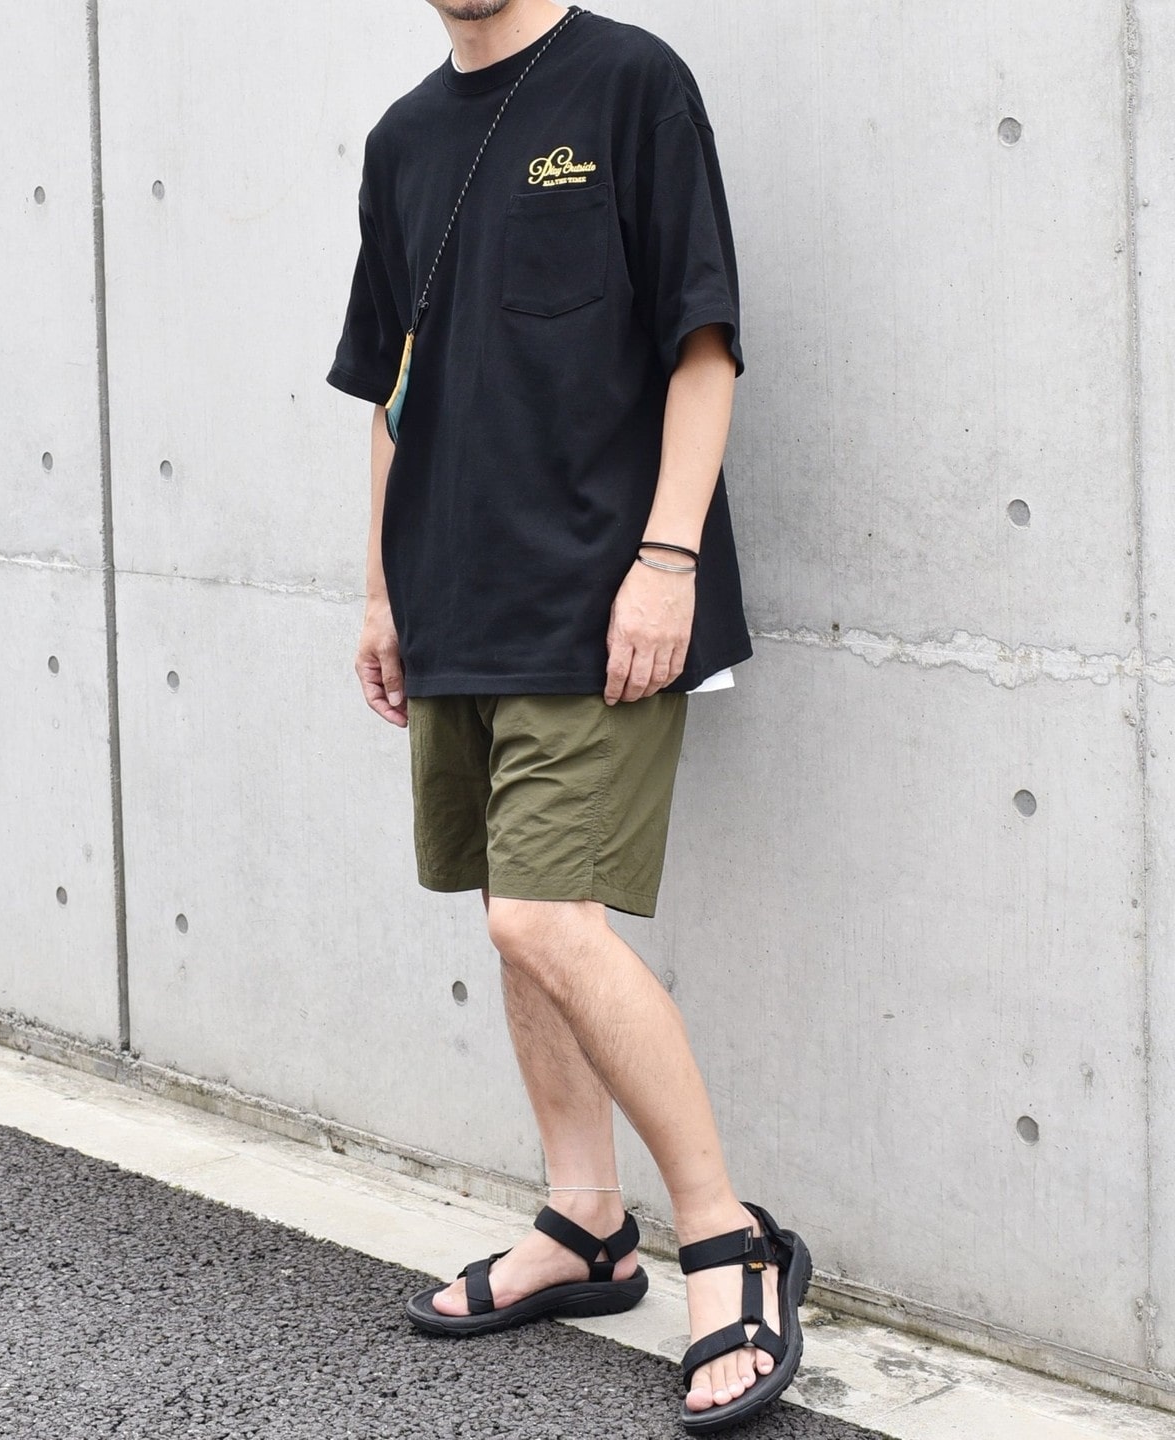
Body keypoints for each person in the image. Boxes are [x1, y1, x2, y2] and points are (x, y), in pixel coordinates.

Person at [325, 1, 811, 1429]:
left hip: (600, 598)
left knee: (543, 918)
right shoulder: (404, 138)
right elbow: (391, 389)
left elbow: (704, 341)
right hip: (452, 598)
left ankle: (728, 1240)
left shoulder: (629, 82)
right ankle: (587, 1220)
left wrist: (669, 559)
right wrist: (380, 593)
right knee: (511, 909)